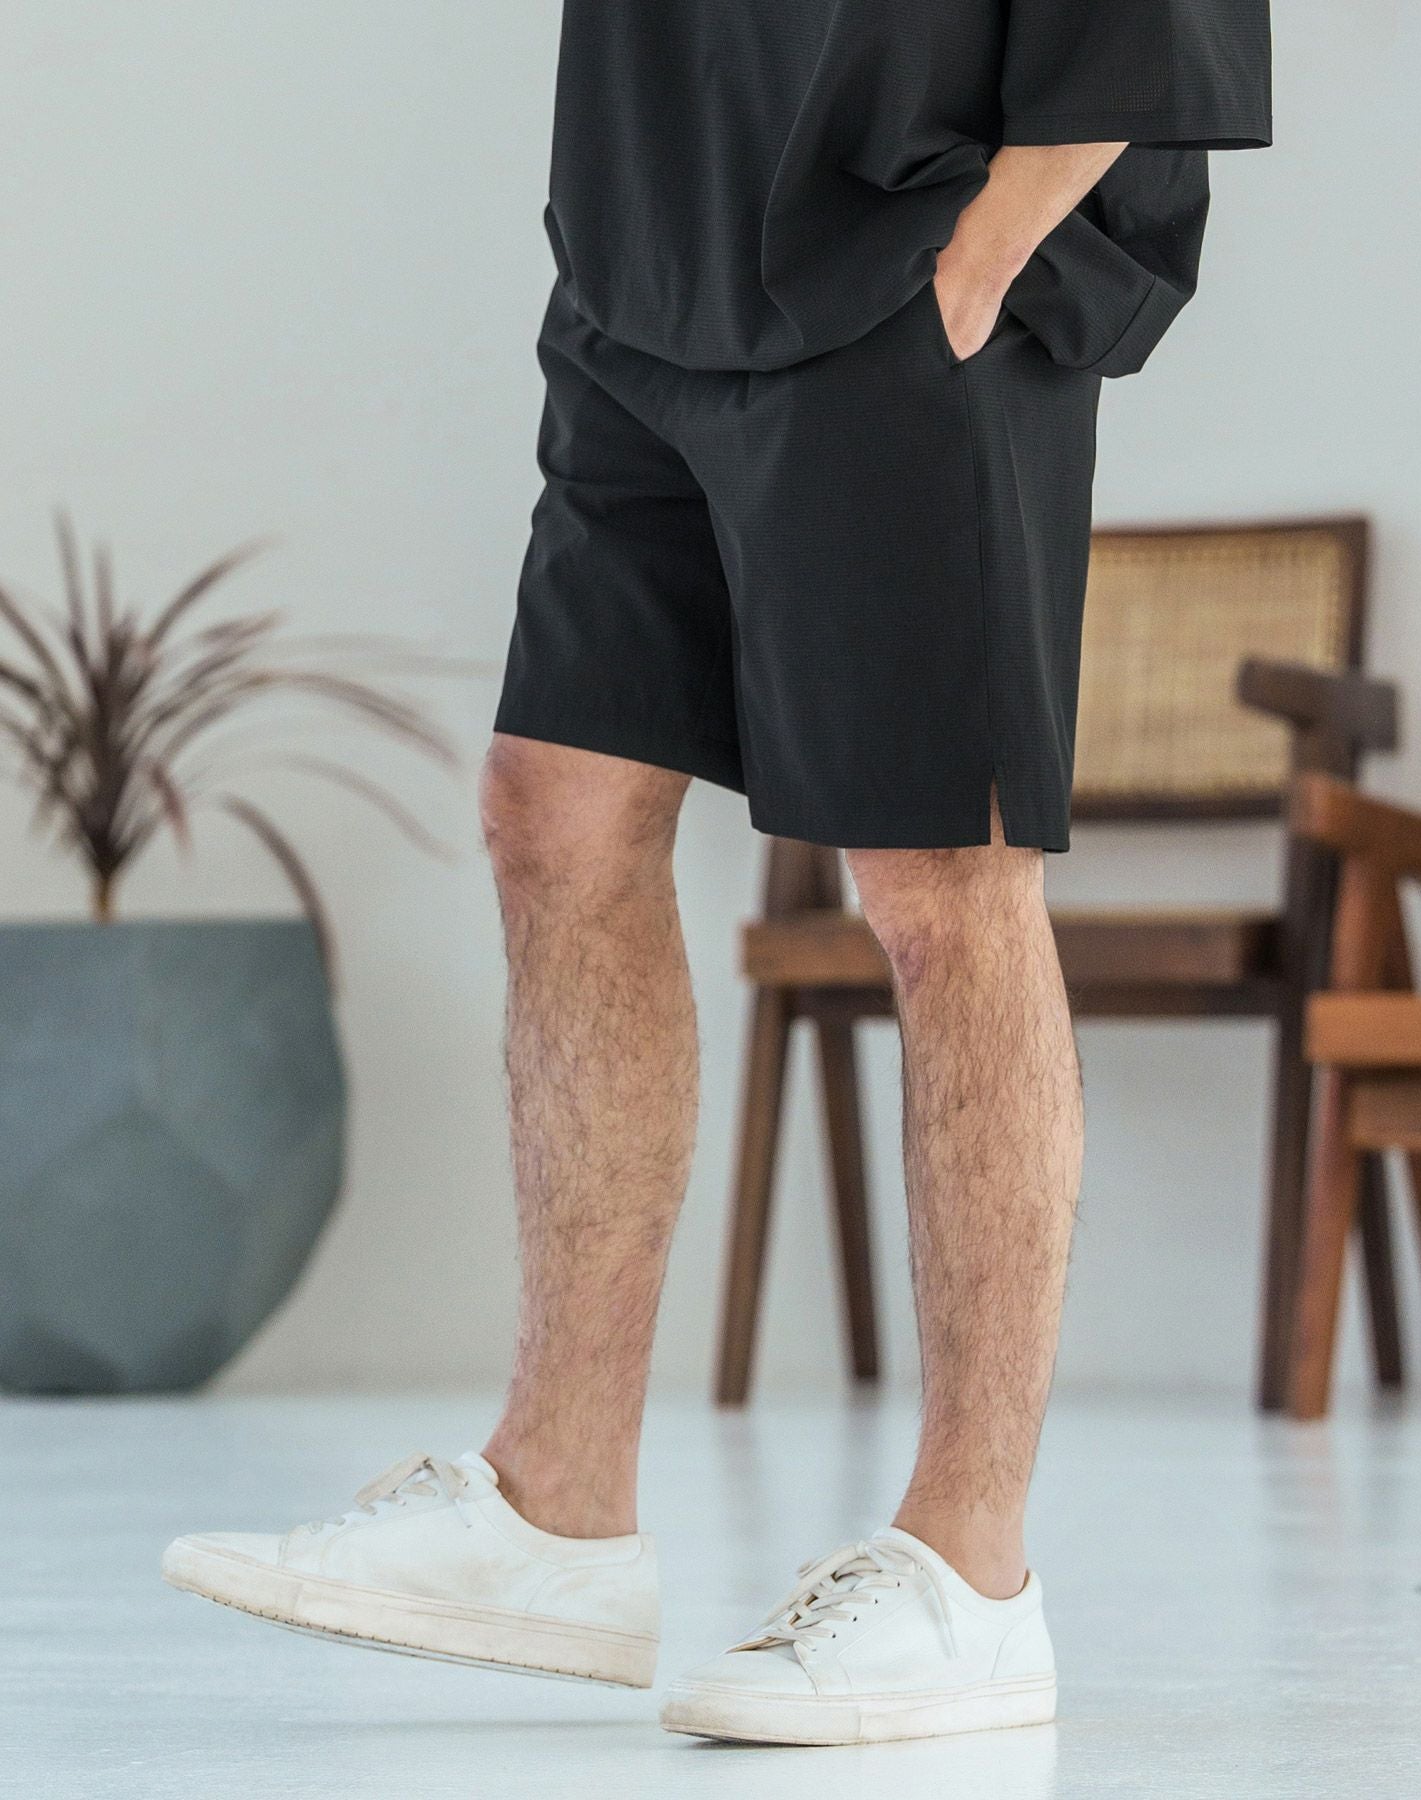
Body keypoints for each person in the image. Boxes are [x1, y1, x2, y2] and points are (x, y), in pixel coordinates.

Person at [163, 0, 1272, 1746]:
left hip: (906, 239)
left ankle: (971, 1575)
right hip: (646, 257)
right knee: (554, 810)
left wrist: (999, 235)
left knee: (940, 877)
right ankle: (554, 1513)